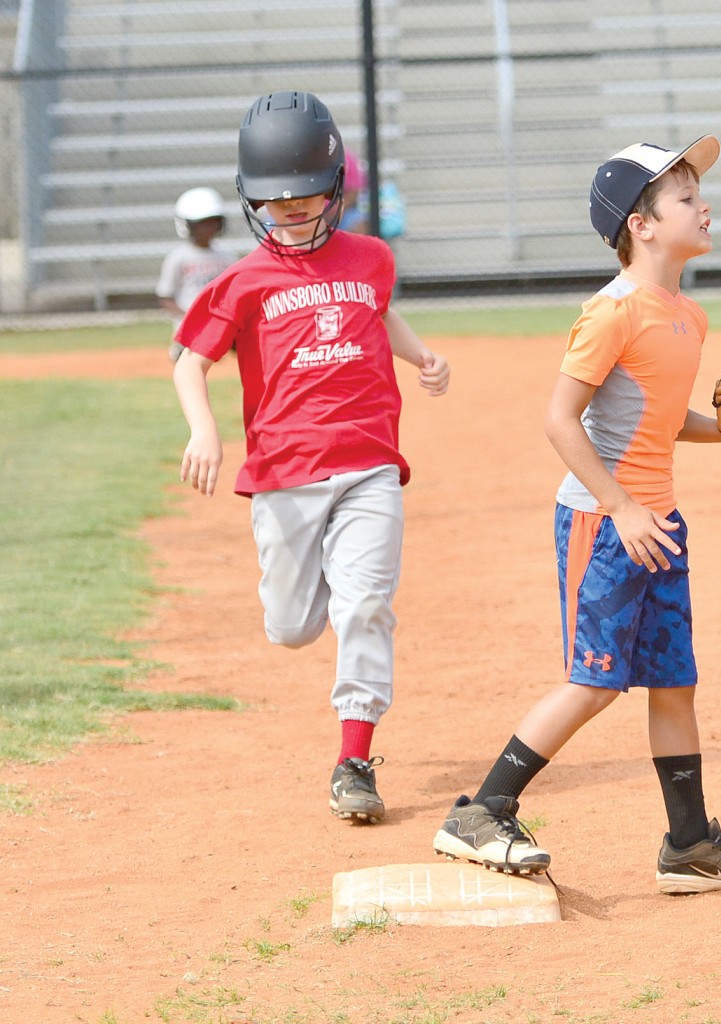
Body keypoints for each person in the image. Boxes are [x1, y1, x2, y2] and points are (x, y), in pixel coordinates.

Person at [432, 138, 721, 894]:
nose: (704, 205)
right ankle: (482, 810)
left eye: (698, 192)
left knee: (674, 681)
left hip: (656, 521)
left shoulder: (686, 315)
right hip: (605, 525)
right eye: (685, 196)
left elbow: (659, 419)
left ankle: (688, 844)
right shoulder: (612, 313)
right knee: (594, 680)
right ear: (643, 224)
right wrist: (621, 506)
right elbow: (561, 420)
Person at [171, 91, 450, 825]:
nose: (291, 210)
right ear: (249, 199)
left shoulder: (371, 258)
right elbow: (187, 364)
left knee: (365, 606)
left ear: (335, 189)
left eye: (305, 197)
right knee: (291, 627)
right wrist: (204, 431)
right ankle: (323, 576)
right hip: (284, 476)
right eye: (274, 201)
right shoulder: (240, 282)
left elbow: (377, 308)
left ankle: (353, 759)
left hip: (368, 465)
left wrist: (423, 358)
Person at [156, 187, 235, 362]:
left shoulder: (227, 257)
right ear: (187, 225)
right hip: (188, 328)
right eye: (201, 223)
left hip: (219, 324)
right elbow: (165, 297)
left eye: (213, 222)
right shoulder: (178, 258)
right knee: (188, 360)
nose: (208, 228)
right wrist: (190, 317)